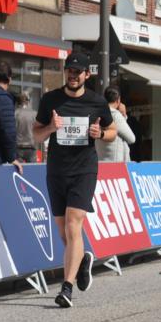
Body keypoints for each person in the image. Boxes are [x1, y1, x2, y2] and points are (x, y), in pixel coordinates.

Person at [33, 52, 116, 308]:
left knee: (73, 225)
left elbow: (113, 132)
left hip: (84, 170)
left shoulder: (97, 102)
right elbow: (36, 135)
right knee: (64, 232)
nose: (73, 75)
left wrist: (100, 133)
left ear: (86, 75)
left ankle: (66, 288)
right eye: (70, 70)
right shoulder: (50, 100)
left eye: (78, 72)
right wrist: (51, 128)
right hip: (56, 170)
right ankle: (81, 259)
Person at [97, 86, 135, 162]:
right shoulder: (115, 115)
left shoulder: (98, 113)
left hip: (100, 161)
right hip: (115, 163)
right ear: (118, 100)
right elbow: (131, 139)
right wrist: (123, 116)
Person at [15, 93, 39, 163]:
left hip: (18, 147)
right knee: (32, 169)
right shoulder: (35, 114)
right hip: (32, 147)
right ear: (28, 101)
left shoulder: (15, 113)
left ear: (17, 103)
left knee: (19, 169)